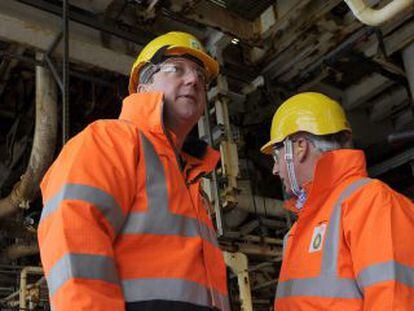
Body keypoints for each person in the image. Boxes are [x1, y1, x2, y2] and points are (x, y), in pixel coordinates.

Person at [38, 31, 230, 311]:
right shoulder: (109, 140)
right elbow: (73, 238)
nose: (193, 80)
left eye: (200, 76)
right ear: (143, 89)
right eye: (176, 69)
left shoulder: (191, 179)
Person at [261, 92, 414, 310]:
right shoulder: (298, 231)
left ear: (300, 147)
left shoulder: (370, 201)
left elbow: (394, 301)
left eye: (276, 157)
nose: (275, 169)